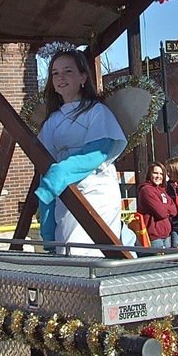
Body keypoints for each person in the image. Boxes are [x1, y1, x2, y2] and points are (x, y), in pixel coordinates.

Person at [34, 48, 127, 251]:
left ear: (83, 76)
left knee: (85, 251)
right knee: (66, 249)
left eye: (68, 71)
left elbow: (96, 153)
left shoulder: (97, 112)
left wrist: (60, 174)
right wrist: (46, 220)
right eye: (55, 73)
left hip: (95, 189)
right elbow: (45, 166)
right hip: (65, 194)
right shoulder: (52, 121)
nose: (61, 77)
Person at [135, 162, 177, 250]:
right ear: (150, 174)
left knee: (168, 263)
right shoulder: (146, 190)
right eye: (155, 173)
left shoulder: (162, 190)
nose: (158, 176)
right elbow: (161, 213)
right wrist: (167, 207)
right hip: (154, 237)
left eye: (161, 174)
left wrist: (164, 207)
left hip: (166, 235)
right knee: (158, 263)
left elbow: (174, 210)